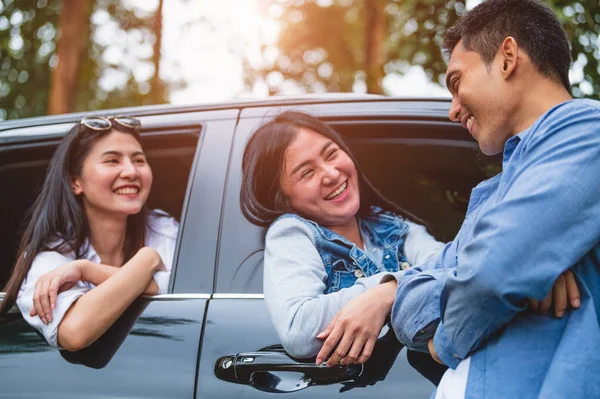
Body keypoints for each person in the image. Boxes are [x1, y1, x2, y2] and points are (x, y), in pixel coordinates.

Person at [325, 0, 598, 397]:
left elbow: (490, 273)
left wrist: (447, 339)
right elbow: (414, 303)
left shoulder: (587, 132)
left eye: (456, 82)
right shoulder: (504, 189)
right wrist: (392, 290)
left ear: (507, 57)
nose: (453, 110)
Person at [240, 111, 445, 362]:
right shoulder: (292, 234)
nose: (331, 174)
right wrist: (390, 288)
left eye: (331, 154)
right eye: (307, 173)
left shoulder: (392, 225)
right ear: (282, 198)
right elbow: (298, 330)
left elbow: (453, 267)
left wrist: (386, 294)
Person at [0, 116, 178, 352]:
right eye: (112, 160)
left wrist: (88, 271)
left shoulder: (164, 230)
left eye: (139, 160)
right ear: (76, 182)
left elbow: (190, 287)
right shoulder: (49, 256)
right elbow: (74, 331)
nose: (131, 171)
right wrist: (148, 261)